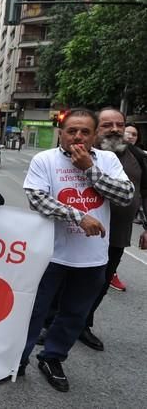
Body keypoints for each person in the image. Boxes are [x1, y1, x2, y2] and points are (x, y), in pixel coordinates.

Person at [19, 108, 133, 392]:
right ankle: (16, 361)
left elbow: (126, 195)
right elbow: (37, 199)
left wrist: (89, 170)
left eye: (85, 131)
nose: (78, 137)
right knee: (32, 312)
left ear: (94, 135)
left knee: (74, 314)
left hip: (92, 258)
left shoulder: (106, 160)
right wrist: (78, 216)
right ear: (62, 132)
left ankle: (53, 357)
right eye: (72, 131)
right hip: (50, 254)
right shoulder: (44, 160)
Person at [77, 108, 147, 350]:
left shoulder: (138, 157)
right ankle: (54, 322)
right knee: (70, 279)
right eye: (107, 125)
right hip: (81, 231)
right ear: (97, 129)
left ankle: (83, 325)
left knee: (101, 282)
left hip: (117, 234)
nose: (115, 129)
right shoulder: (80, 153)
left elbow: (143, 193)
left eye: (120, 124)